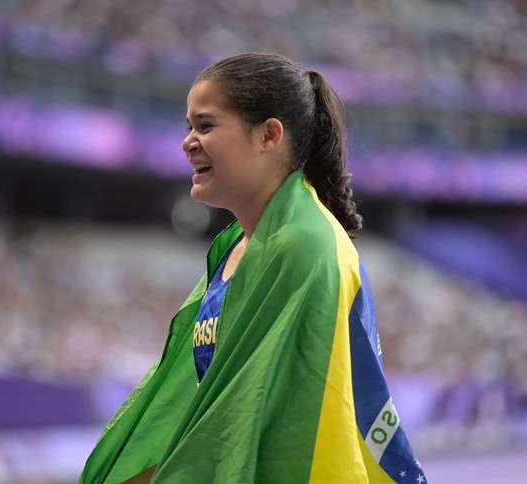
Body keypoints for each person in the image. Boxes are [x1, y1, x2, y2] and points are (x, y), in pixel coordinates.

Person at [81, 52, 427, 484]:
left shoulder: (305, 245)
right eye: (189, 126)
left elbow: (244, 418)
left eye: (206, 125)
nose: (188, 142)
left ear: (269, 135)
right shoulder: (238, 248)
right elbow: (189, 406)